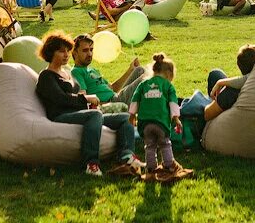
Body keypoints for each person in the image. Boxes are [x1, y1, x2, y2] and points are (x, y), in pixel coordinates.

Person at [34, 31, 142, 178]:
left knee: (124, 117)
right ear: (50, 53)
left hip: (80, 112)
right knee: (95, 114)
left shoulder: (65, 73)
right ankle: (91, 163)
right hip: (61, 115)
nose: (66, 54)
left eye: (67, 50)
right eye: (61, 51)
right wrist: (86, 99)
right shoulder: (46, 76)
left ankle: (127, 156)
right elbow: (61, 98)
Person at [128, 53, 193, 181]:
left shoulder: (143, 85)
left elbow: (135, 100)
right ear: (169, 74)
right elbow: (173, 104)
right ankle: (169, 165)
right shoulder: (168, 86)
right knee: (165, 144)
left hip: (145, 124)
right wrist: (176, 118)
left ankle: (151, 169)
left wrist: (132, 116)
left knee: (150, 146)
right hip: (161, 123)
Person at [71, 33, 146, 112]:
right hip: (111, 103)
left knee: (139, 70)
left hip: (116, 97)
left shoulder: (92, 70)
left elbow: (113, 88)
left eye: (91, 50)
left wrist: (130, 70)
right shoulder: (76, 71)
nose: (89, 54)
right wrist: (104, 105)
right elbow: (83, 99)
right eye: (85, 50)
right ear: (75, 53)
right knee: (145, 78)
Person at [205, 44, 255, 121]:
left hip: (221, 118)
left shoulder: (232, 91)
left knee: (215, 75)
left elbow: (207, 114)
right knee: (216, 74)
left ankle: (212, 102)